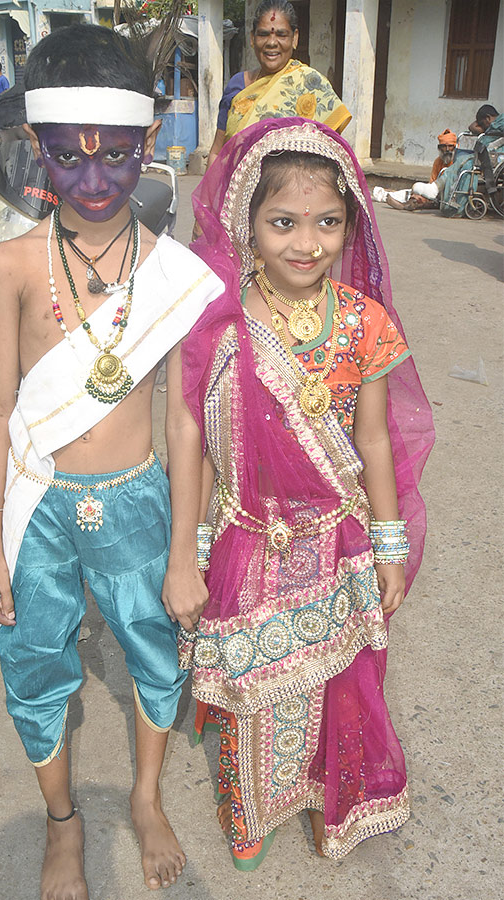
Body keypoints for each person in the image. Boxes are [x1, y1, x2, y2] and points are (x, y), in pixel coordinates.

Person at [0, 23, 223, 899]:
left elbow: (185, 420)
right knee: (36, 667)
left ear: (147, 147)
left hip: (137, 503)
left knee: (157, 653)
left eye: (115, 158)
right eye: (68, 159)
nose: (92, 180)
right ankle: (63, 825)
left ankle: (148, 798)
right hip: (38, 509)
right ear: (36, 149)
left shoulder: (172, 274)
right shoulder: (10, 265)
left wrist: (185, 550)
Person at [179, 117, 434, 870]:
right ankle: (251, 805)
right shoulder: (224, 322)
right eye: (282, 222)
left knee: (338, 684)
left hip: (338, 534)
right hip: (248, 536)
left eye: (327, 223)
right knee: (249, 691)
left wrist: (392, 547)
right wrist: (190, 553)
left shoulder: (364, 323)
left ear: (351, 224)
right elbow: (197, 444)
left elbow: (377, 441)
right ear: (246, 226)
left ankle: (332, 798)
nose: (306, 243)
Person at [206, 0, 350, 169]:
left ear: (295, 38)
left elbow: (332, 156)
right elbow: (217, 152)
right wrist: (214, 194)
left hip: (295, 193)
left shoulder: (311, 85)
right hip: (237, 192)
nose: (272, 42)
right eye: (263, 34)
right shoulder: (237, 86)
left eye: (281, 35)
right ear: (252, 38)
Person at [411, 106, 503, 216]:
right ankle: (440, 190)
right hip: (490, 155)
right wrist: (483, 123)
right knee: (464, 160)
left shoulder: (500, 122)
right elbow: (472, 127)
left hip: (497, 156)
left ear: (488, 118)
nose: (481, 127)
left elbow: (475, 128)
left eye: (482, 124)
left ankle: (439, 189)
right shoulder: (495, 125)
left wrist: (485, 125)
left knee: (467, 161)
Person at [372, 128, 457, 210]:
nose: (447, 150)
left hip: (448, 195)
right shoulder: (437, 162)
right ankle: (402, 202)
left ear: (455, 147)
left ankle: (407, 204)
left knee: (418, 195)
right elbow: (432, 182)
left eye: (450, 146)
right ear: (439, 148)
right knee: (413, 192)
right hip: (436, 192)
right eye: (444, 147)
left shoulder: (457, 162)